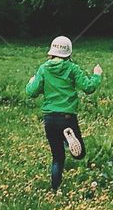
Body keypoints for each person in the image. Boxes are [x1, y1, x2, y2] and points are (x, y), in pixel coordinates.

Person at [25, 36, 102, 192]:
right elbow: (88, 87)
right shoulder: (72, 68)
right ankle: (68, 140)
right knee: (80, 154)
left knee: (57, 158)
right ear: (68, 53)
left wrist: (31, 81)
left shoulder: (44, 69)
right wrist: (97, 75)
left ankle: (55, 189)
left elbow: (32, 92)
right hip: (67, 117)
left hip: (50, 119)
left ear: (52, 52)